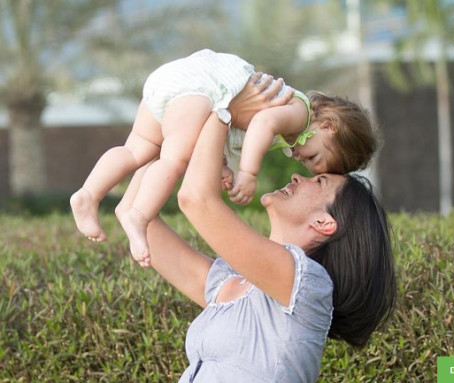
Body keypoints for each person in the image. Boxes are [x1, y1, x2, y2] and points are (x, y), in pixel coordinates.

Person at [134, 73, 396, 382]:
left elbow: (196, 200)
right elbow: (144, 221)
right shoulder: (234, 285)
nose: (299, 176)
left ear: (324, 223)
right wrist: (170, 128)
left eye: (319, 181)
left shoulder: (308, 285)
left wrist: (224, 103)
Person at [70, 49, 377, 267]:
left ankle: (88, 194)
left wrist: (221, 164)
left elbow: (228, 125)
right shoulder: (299, 114)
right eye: (314, 159)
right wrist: (248, 173)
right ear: (329, 126)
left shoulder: (293, 126)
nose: (303, 163)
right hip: (204, 88)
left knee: (138, 149)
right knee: (174, 159)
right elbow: (259, 122)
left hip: (179, 83)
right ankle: (138, 215)